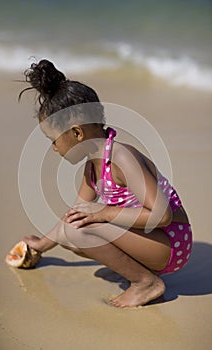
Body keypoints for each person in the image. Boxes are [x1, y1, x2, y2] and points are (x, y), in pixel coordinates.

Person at [19, 59, 192, 308]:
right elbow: (74, 215)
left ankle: (146, 283)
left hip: (170, 243)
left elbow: (162, 215)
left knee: (77, 231)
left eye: (53, 140)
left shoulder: (121, 157)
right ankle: (138, 271)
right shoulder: (92, 167)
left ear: (77, 133)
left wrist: (104, 213)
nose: (54, 148)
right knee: (75, 230)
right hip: (150, 241)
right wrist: (42, 245)